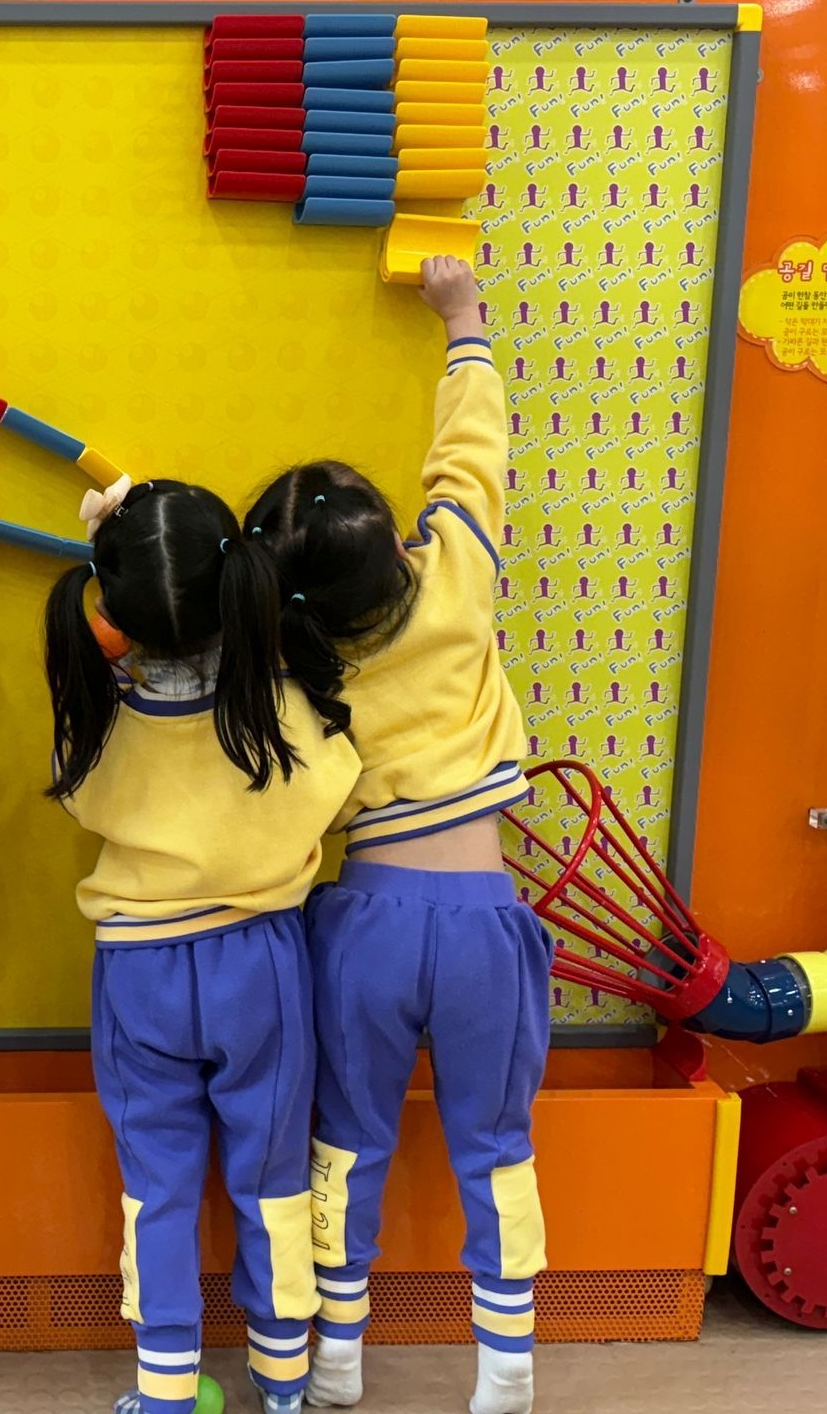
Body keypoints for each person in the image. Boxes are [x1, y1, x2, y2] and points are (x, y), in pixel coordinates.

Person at [247, 257, 548, 1414]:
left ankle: (336, 1355)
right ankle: (506, 1366)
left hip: (364, 925)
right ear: (395, 548)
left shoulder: (297, 667)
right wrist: (463, 319)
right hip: (481, 921)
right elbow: (472, 455)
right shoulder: (459, 576)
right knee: (495, 1142)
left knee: (348, 1136)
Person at [43, 478, 361, 1414]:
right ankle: (284, 1376)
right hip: (259, 963)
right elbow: (341, 794)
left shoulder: (98, 714)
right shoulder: (279, 709)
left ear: (111, 613)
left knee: (158, 1183)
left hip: (138, 968)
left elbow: (77, 794)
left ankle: (166, 1385)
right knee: (271, 1177)